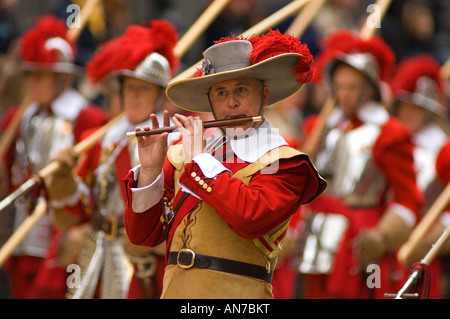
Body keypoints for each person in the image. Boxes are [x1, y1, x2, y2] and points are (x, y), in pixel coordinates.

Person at [123, 30, 327, 299]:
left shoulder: (284, 162)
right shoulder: (181, 154)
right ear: (210, 102)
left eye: (241, 90)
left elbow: (249, 217)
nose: (232, 103)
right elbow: (143, 236)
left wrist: (199, 160)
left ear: (264, 96)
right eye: (221, 93)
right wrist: (149, 170)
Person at [45, 19, 180, 299]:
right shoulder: (102, 139)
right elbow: (81, 204)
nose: (133, 95)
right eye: (129, 87)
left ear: (159, 96)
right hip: (95, 246)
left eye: (143, 88)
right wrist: (63, 178)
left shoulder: (175, 142)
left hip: (140, 257)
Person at [293, 30, 425, 299]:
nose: (343, 95)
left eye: (351, 87)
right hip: (318, 233)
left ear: (369, 89)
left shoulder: (390, 134)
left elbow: (408, 199)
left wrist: (383, 236)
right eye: (339, 87)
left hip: (362, 237)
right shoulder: (319, 128)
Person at [0, 15, 109, 299]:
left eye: (41, 75)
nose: (32, 83)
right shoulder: (17, 118)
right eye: (30, 74)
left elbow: (96, 183)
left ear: (61, 78)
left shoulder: (89, 119)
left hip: (63, 238)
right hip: (20, 236)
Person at [390, 54, 449, 298]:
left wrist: (427, 244)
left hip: (421, 250)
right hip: (386, 246)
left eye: (419, 108)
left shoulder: (442, 149)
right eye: (407, 106)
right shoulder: (389, 141)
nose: (411, 114)